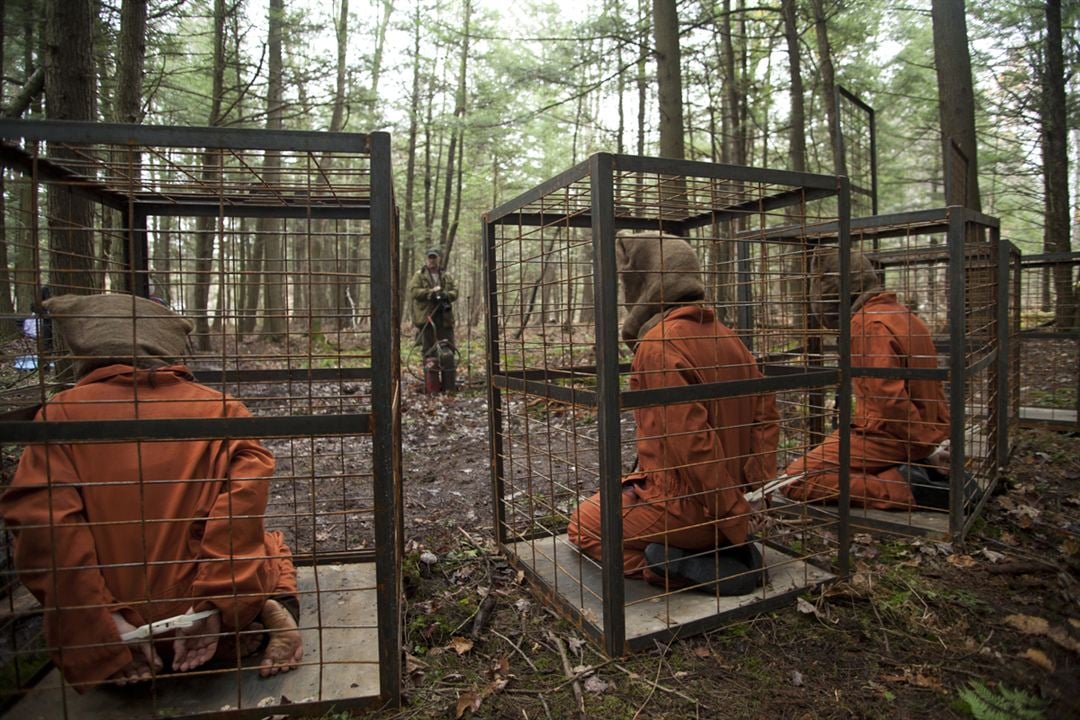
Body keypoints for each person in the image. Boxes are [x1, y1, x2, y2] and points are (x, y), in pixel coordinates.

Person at [0, 293, 303, 691]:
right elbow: (237, 519)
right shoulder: (221, 409)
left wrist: (106, 624)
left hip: (113, 624)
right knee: (268, 545)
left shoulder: (59, 414)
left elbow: (47, 531)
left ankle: (110, 650)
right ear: (165, 343)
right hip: (202, 617)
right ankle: (263, 608)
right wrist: (213, 605)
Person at [567, 232, 780, 594]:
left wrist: (731, 513)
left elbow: (692, 443)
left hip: (693, 510)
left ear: (646, 284)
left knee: (583, 525)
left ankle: (683, 566)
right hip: (738, 504)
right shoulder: (730, 338)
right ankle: (723, 550)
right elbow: (766, 419)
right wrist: (753, 496)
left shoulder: (658, 344)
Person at [781, 247, 952, 510]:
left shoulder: (867, 324)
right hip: (919, 430)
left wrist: (925, 449)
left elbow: (890, 401)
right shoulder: (904, 315)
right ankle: (905, 473)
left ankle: (907, 490)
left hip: (891, 435)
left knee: (796, 479)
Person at [407, 247, 458, 393]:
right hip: (427, 319)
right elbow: (413, 291)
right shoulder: (419, 275)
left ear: (439, 258)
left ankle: (449, 387)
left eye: (434, 257)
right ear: (426, 259)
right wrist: (430, 293)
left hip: (444, 318)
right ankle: (432, 387)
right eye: (430, 257)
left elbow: (455, 291)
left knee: (448, 350)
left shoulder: (446, 276)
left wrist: (446, 295)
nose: (432, 260)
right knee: (429, 352)